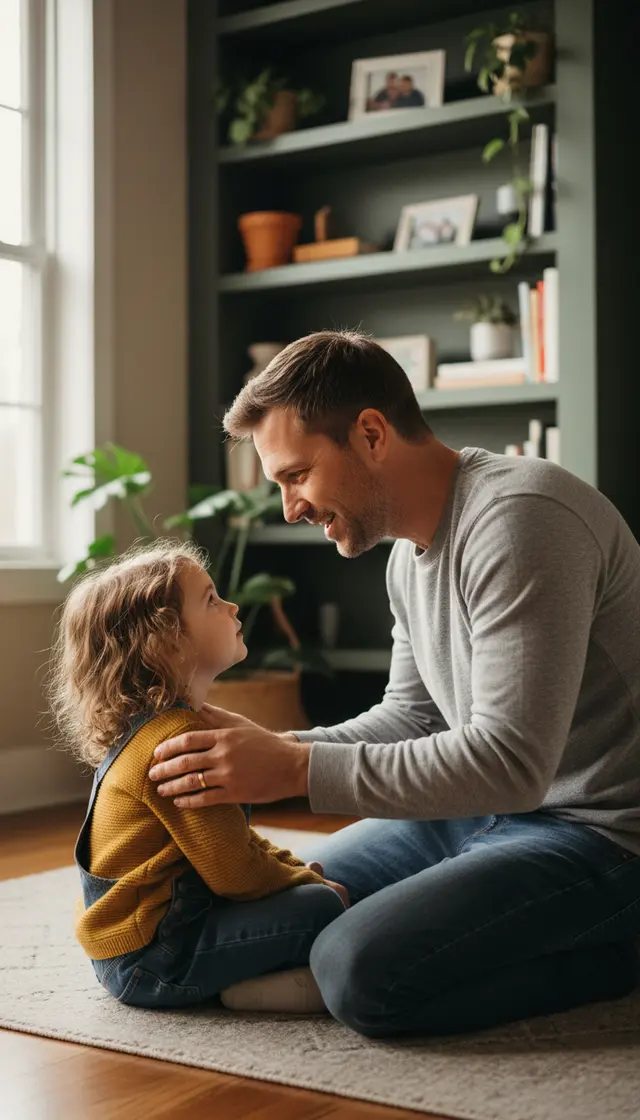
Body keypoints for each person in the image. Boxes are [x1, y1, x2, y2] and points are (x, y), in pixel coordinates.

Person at [147, 330, 640, 1039]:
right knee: (278, 910)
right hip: (478, 813)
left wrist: (292, 767)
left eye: (296, 475)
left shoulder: (523, 518)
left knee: (358, 971)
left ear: (371, 434)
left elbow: (513, 763)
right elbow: (411, 718)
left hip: (604, 837)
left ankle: (609, 961)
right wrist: (275, 746)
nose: (290, 507)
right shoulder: (406, 556)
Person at [48, 539, 347, 1013]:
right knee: (324, 909)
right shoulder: (175, 743)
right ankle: (252, 991)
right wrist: (307, 887)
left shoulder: (165, 725)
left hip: (142, 945)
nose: (231, 605)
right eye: (210, 599)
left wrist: (294, 871)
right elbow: (238, 872)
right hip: (156, 960)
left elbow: (234, 840)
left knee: (312, 884)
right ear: (164, 640)